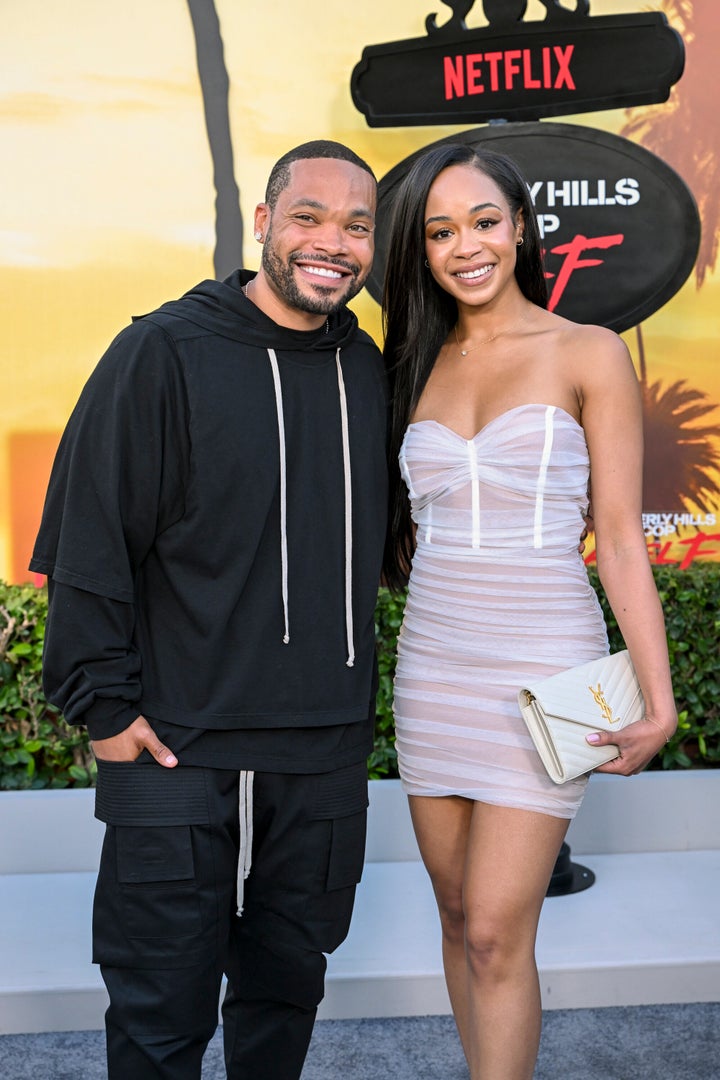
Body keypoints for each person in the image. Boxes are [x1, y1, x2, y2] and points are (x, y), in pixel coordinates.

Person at [30, 140, 387, 1080]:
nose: (333, 243)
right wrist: (103, 712)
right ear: (263, 224)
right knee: (159, 1003)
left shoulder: (369, 370)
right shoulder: (162, 351)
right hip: (175, 741)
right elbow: (89, 533)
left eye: (358, 225)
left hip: (321, 749)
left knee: (285, 992)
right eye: (309, 216)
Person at [381, 143, 678, 1080]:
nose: (465, 245)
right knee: (461, 920)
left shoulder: (587, 352)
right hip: (433, 666)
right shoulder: (408, 365)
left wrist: (657, 701)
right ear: (420, 250)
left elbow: (621, 541)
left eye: (482, 220)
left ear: (520, 227)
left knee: (501, 930)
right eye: (440, 230)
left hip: (552, 668)